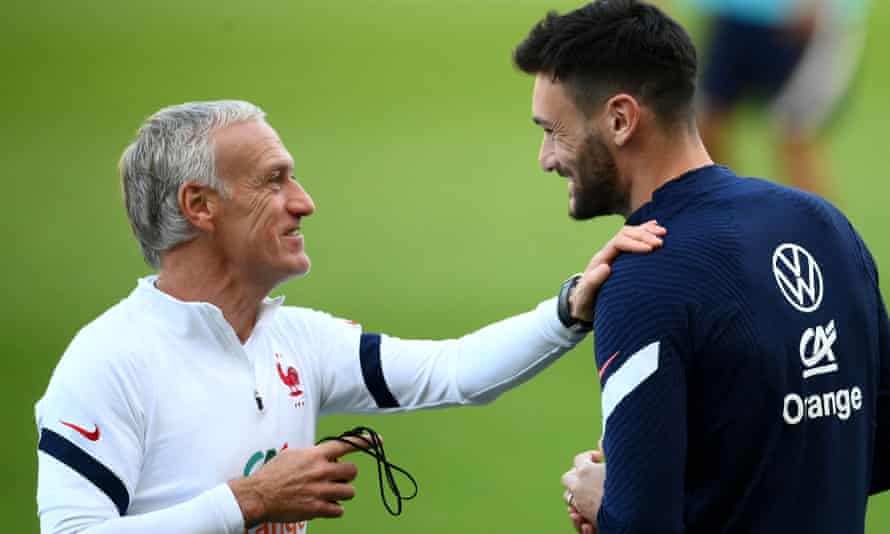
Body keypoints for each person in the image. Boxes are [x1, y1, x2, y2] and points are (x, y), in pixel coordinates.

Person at [34, 100, 665, 533]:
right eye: (273, 181)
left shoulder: (296, 340)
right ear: (200, 205)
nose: (303, 202)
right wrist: (251, 500)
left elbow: (453, 371)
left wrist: (570, 307)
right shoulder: (111, 360)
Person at [512, 1, 888, 533]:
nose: (546, 158)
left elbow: (641, 525)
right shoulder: (825, 225)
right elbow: (873, 452)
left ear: (620, 120)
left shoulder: (642, 277)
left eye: (554, 131)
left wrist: (604, 501)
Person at [688, 0, 868, 197]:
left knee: (796, 132)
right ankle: (732, 209)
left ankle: (810, 217)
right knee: (706, 125)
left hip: (804, 18)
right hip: (731, 12)